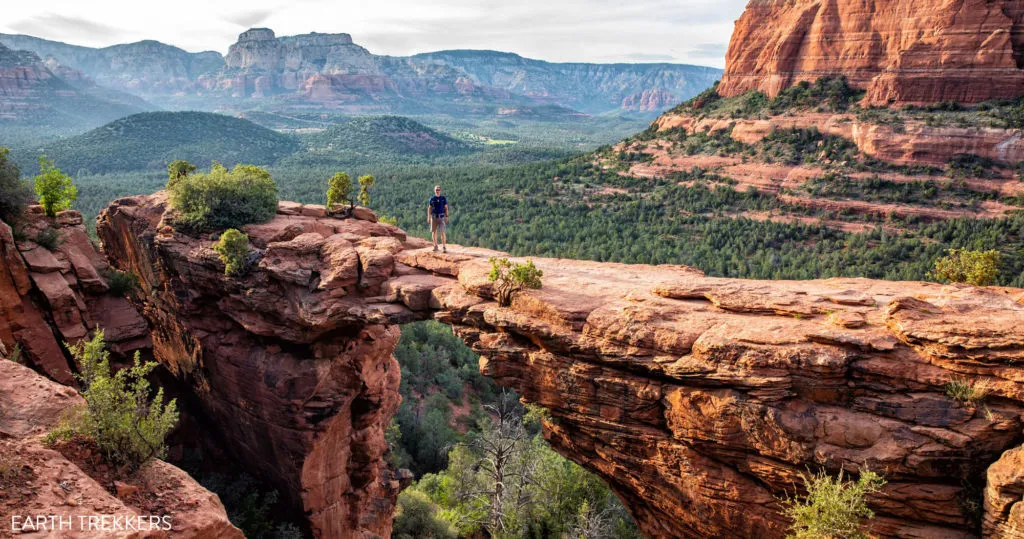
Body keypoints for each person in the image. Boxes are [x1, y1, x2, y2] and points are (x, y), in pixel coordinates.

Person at [427, 185, 449, 252]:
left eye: (439, 189)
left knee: (442, 232)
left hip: (441, 217)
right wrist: (428, 217)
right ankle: (435, 246)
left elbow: (446, 207)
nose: (437, 191)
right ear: (434, 190)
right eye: (436, 189)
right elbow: (429, 208)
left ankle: (444, 247)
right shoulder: (432, 198)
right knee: (434, 232)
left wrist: (447, 216)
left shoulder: (443, 198)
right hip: (434, 217)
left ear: (440, 190)